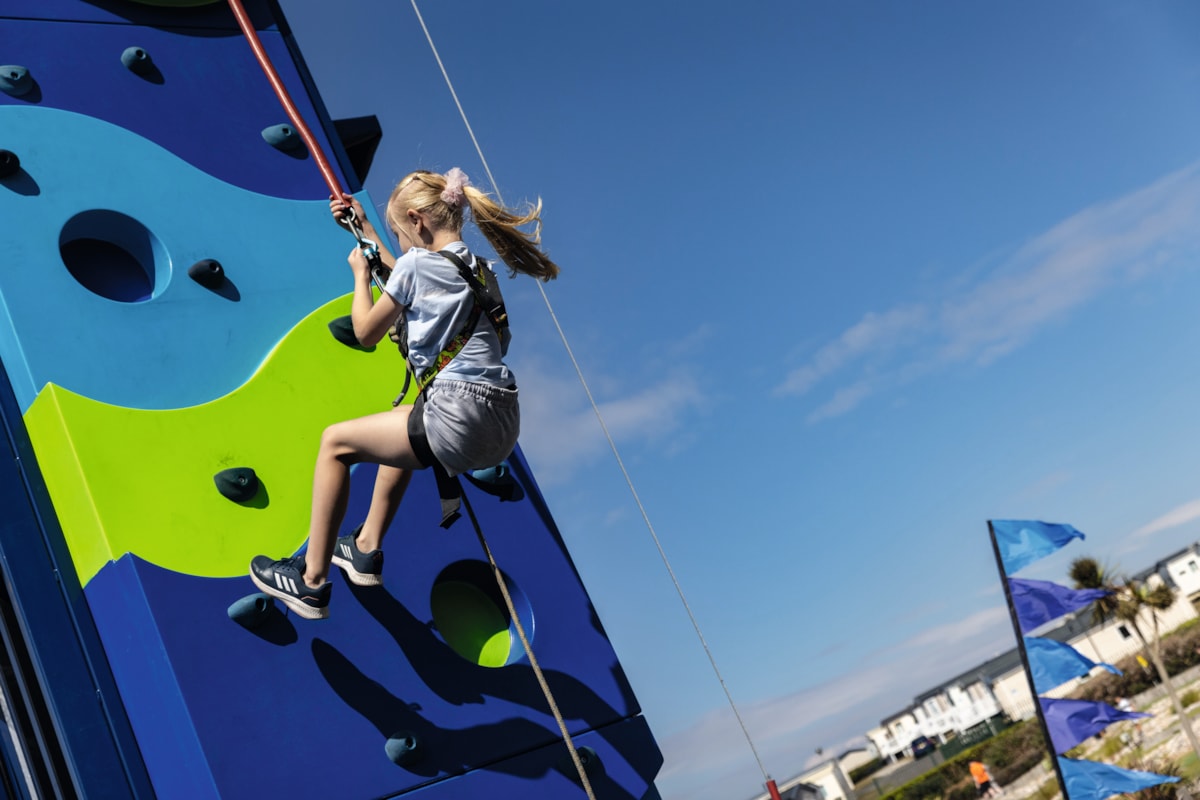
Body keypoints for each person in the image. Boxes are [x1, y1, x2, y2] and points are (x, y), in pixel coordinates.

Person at [249, 168, 559, 619]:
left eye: (400, 233)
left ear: (418, 221)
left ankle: (310, 581)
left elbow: (366, 331)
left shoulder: (415, 265)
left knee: (335, 443)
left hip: (457, 414)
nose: (401, 244)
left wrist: (360, 273)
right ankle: (365, 546)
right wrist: (369, 230)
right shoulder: (482, 274)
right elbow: (432, 291)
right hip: (502, 422)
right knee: (405, 430)